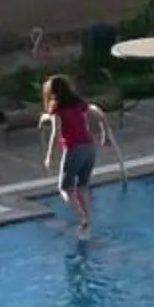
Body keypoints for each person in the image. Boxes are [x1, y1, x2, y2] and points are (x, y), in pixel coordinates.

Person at [41, 74, 100, 232]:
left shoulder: (57, 107)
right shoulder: (78, 102)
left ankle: (81, 217)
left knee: (64, 188)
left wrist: (48, 156)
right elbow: (86, 114)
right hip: (89, 147)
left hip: (74, 149)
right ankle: (87, 218)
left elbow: (56, 132)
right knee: (82, 186)